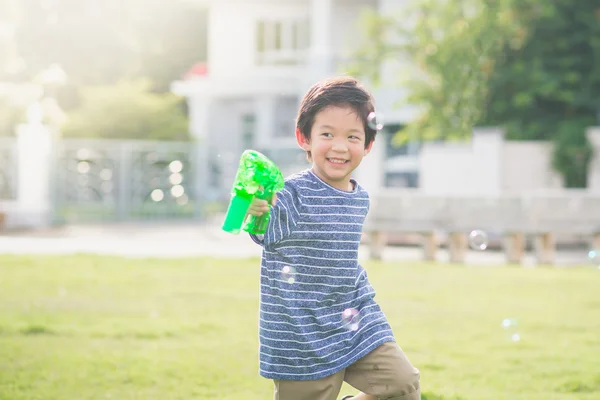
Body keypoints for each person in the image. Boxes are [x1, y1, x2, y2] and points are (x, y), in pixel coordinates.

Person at [247, 76, 421, 400]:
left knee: (403, 384)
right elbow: (264, 230)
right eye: (327, 134)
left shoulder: (360, 198)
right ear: (304, 138)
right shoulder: (291, 194)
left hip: (355, 321)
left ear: (367, 146)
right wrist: (257, 208)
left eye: (353, 137)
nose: (340, 146)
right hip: (300, 337)